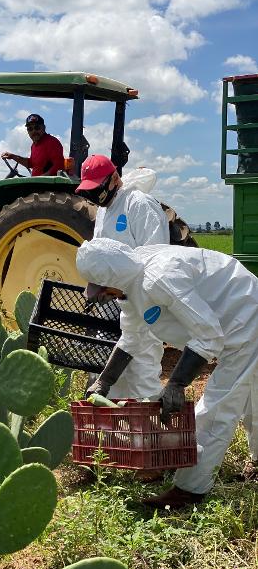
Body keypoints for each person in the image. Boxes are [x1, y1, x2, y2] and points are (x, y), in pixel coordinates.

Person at [76, 237, 258, 507]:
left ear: (113, 277)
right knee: (252, 395)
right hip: (233, 321)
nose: (101, 295)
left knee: (218, 408)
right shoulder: (129, 284)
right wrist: (104, 381)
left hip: (245, 318)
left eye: (102, 289)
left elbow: (208, 336)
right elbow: (131, 338)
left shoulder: (158, 278)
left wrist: (176, 383)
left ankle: (189, 490)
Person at [75, 154, 170, 402]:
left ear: (115, 178)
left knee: (142, 370)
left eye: (97, 188)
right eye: (89, 190)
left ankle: (148, 434)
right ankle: (116, 436)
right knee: (109, 372)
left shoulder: (140, 205)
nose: (94, 195)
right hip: (114, 303)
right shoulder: (104, 212)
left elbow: (156, 258)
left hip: (142, 302)